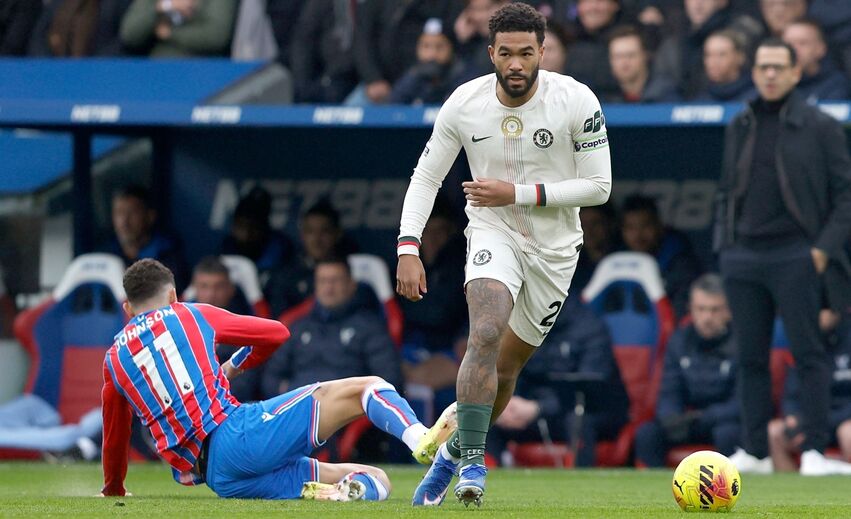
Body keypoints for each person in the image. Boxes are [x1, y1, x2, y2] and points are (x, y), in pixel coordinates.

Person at [395, 3, 612, 507]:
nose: (517, 63)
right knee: (485, 332)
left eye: (527, 53)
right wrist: (408, 245)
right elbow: (426, 177)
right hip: (493, 231)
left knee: (508, 369)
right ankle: (474, 464)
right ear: (492, 52)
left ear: (543, 52)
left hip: (555, 250)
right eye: (507, 53)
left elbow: (599, 187)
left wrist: (517, 192)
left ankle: (451, 453)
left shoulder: (576, 100)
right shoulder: (464, 104)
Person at [100, 258, 456, 500]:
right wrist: (234, 366)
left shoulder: (114, 359)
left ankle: (337, 496)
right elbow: (275, 333)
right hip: (238, 437)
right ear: (174, 296)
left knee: (377, 479)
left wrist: (114, 488)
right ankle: (421, 439)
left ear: (127, 308)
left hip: (218, 478)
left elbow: (114, 437)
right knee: (369, 387)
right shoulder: (189, 313)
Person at [716, 38, 851, 476]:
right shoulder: (741, 122)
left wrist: (820, 251)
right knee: (750, 358)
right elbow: (726, 192)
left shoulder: (821, 126)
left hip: (797, 254)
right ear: (753, 72)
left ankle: (813, 451)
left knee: (809, 355)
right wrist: (727, 246)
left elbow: (846, 196)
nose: (770, 74)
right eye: (762, 67)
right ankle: (755, 451)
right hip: (744, 258)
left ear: (796, 72)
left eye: (778, 67)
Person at [486, 296, 628, 468]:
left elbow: (590, 388)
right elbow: (512, 370)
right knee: (486, 417)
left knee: (578, 421)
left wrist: (539, 408)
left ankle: (580, 486)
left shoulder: (588, 326)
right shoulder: (524, 324)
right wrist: (508, 402)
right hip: (531, 408)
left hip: (586, 411)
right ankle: (486, 482)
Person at [634, 274, 740, 467]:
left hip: (722, 420)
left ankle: (726, 489)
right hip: (687, 420)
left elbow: (743, 402)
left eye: (715, 310)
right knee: (647, 434)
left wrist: (704, 418)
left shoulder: (743, 343)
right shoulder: (679, 341)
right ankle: (655, 490)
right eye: (701, 309)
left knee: (728, 434)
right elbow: (668, 390)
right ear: (691, 309)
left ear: (729, 311)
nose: (707, 317)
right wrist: (671, 418)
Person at [262, 256, 403, 396]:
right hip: (299, 410)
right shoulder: (298, 326)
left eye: (335, 281)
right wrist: (285, 397)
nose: (328, 288)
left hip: (347, 412)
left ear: (351, 285)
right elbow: (271, 375)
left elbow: (388, 379)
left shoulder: (370, 327)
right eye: (322, 281)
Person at [768, 311, 851, 473]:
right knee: (773, 432)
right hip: (810, 421)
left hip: (843, 419)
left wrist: (819, 423)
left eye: (824, 308)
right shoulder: (803, 342)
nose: (819, 313)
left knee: (848, 432)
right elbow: (791, 394)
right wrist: (793, 419)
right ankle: (793, 494)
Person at [189, 256, 261, 403]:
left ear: (231, 289)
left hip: (232, 407)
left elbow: (245, 385)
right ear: (195, 288)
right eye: (204, 286)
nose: (211, 294)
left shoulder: (245, 330)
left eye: (218, 287)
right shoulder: (180, 327)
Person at [620, 194, 703, 319]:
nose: (638, 235)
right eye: (631, 228)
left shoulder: (680, 263)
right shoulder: (616, 264)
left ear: (659, 226)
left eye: (645, 226)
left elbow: (681, 314)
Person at [102, 185, 188, 291]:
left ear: (150, 216)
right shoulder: (104, 255)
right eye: (119, 213)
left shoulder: (168, 255)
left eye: (132, 213)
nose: (124, 222)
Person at [220, 186, 293, 286]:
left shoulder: (280, 247)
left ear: (264, 227)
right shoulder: (227, 247)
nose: (247, 234)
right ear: (233, 226)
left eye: (253, 227)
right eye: (241, 226)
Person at [119, 0, 237, 57]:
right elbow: (129, 34)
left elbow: (217, 36)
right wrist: (165, 6)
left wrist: (170, 33)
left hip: (204, 72)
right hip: (157, 72)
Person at [391, 18, 465, 105]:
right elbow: (394, 105)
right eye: (426, 46)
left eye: (439, 46)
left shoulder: (463, 75)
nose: (432, 54)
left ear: (451, 48)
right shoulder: (412, 76)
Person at [604, 25, 679, 103]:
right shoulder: (603, 96)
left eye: (630, 55)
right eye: (618, 56)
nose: (624, 62)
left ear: (645, 56)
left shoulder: (666, 93)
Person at [782, 19, 851, 103]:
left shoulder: (837, 85)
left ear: (821, 49)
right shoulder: (772, 82)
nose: (794, 49)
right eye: (788, 44)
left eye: (802, 43)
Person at [692, 29, 755, 102]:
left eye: (721, 54)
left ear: (740, 57)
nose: (713, 61)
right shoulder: (699, 103)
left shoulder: (755, 99)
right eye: (708, 55)